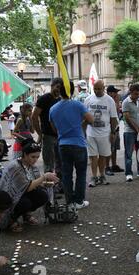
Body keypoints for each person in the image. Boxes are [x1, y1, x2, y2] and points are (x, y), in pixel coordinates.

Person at [0, 139, 59, 232]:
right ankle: (10, 220)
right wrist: (44, 176)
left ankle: (26, 215)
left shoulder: (32, 167)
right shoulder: (15, 166)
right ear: (24, 154)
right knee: (26, 203)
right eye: (33, 157)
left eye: (37, 157)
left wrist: (49, 182)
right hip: (8, 197)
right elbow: (27, 187)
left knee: (42, 195)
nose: (35, 160)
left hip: (21, 194)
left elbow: (37, 184)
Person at [49, 80, 94, 210]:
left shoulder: (53, 108)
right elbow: (91, 120)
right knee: (81, 173)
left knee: (66, 174)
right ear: (72, 90)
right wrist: (81, 123)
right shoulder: (78, 105)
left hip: (62, 144)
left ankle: (69, 201)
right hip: (78, 143)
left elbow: (54, 129)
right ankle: (79, 201)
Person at [84, 80, 118, 187]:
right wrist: (83, 132)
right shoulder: (88, 99)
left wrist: (113, 132)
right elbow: (84, 117)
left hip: (105, 133)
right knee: (93, 156)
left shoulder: (109, 100)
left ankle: (102, 175)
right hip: (91, 133)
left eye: (99, 89)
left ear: (104, 88)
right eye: (95, 89)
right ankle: (94, 177)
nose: (97, 91)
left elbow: (113, 118)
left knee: (103, 156)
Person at [32, 78, 62, 175]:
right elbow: (34, 116)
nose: (58, 90)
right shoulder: (44, 98)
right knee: (49, 164)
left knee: (60, 163)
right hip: (48, 135)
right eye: (57, 87)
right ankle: (49, 187)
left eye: (61, 88)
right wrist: (40, 133)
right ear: (52, 85)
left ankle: (59, 184)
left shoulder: (61, 99)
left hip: (60, 136)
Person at [105, 85, 124, 174]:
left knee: (115, 147)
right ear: (110, 93)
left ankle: (114, 165)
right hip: (109, 128)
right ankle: (107, 167)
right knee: (108, 148)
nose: (117, 94)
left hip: (116, 127)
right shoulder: (107, 101)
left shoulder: (114, 101)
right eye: (115, 92)